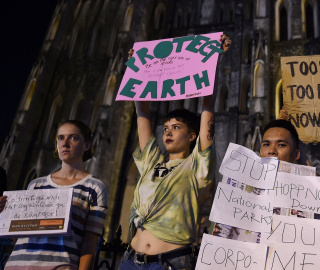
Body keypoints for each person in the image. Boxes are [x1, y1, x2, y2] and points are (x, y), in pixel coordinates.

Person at [118, 35, 231, 270]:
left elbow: (208, 106)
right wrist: (137, 69)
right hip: (131, 260)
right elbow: (142, 113)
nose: (167, 133)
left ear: (192, 136)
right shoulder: (152, 163)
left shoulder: (197, 166)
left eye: (176, 128)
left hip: (171, 262)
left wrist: (214, 61)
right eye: (166, 128)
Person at [1, 120, 108, 270]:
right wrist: (3, 214)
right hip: (17, 265)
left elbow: (90, 242)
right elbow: (18, 235)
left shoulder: (95, 188)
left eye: (74, 138)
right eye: (60, 137)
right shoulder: (36, 185)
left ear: (87, 145)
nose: (65, 143)